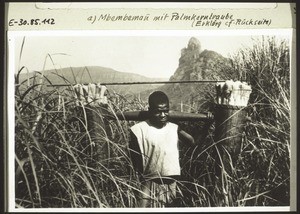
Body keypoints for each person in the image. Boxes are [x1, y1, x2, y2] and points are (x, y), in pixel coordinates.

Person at [128, 91, 195, 207]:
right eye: (158, 112)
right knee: (142, 208)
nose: (163, 115)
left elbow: (192, 141)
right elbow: (134, 159)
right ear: (150, 110)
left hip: (171, 182)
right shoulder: (139, 130)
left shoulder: (173, 128)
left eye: (166, 111)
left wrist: (177, 125)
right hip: (148, 181)